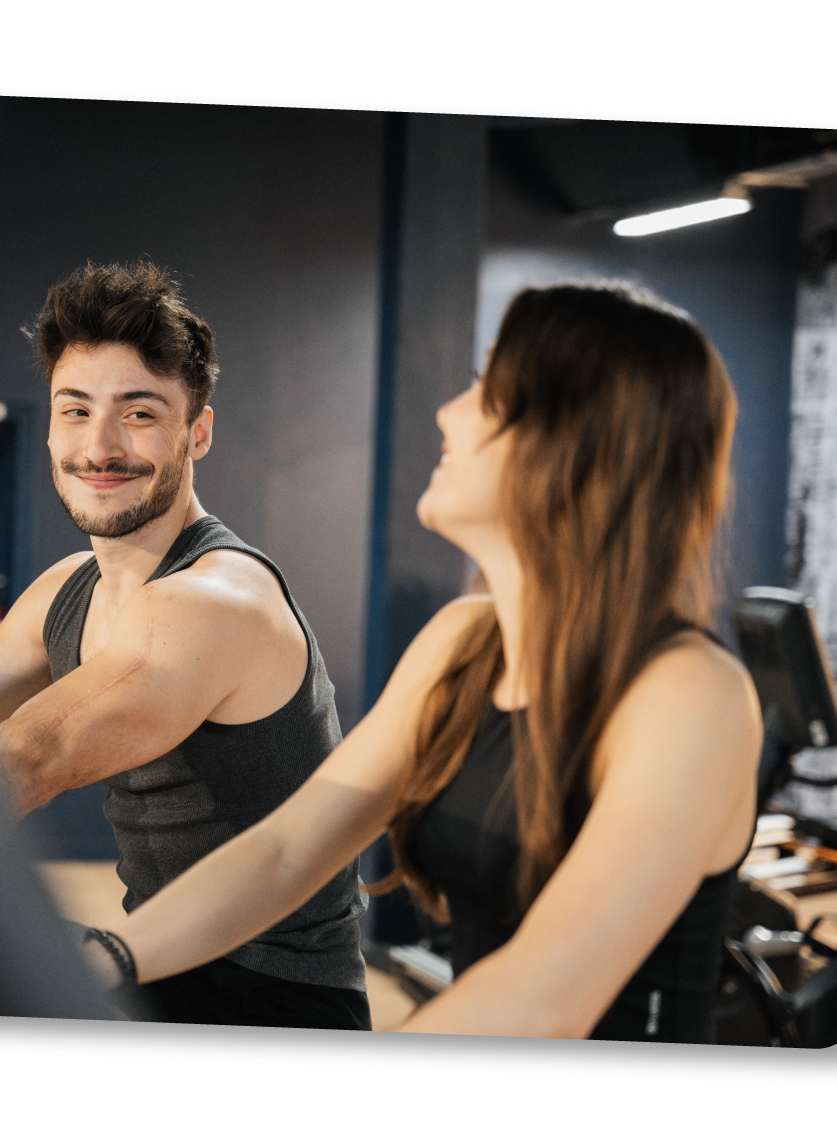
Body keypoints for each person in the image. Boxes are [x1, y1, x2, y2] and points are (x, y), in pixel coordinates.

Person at [75, 280, 763, 1043]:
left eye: (484, 390)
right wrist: (110, 955)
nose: (447, 413)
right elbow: (283, 852)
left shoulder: (688, 694)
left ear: (570, 437)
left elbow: (543, 998)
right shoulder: (462, 647)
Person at [0, 261, 369, 1030]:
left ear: (195, 432)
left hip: (268, 1006)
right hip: (157, 967)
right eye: (74, 411)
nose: (98, 446)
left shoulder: (213, 601)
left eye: (137, 414)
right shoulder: (69, 587)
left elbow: (29, 757)